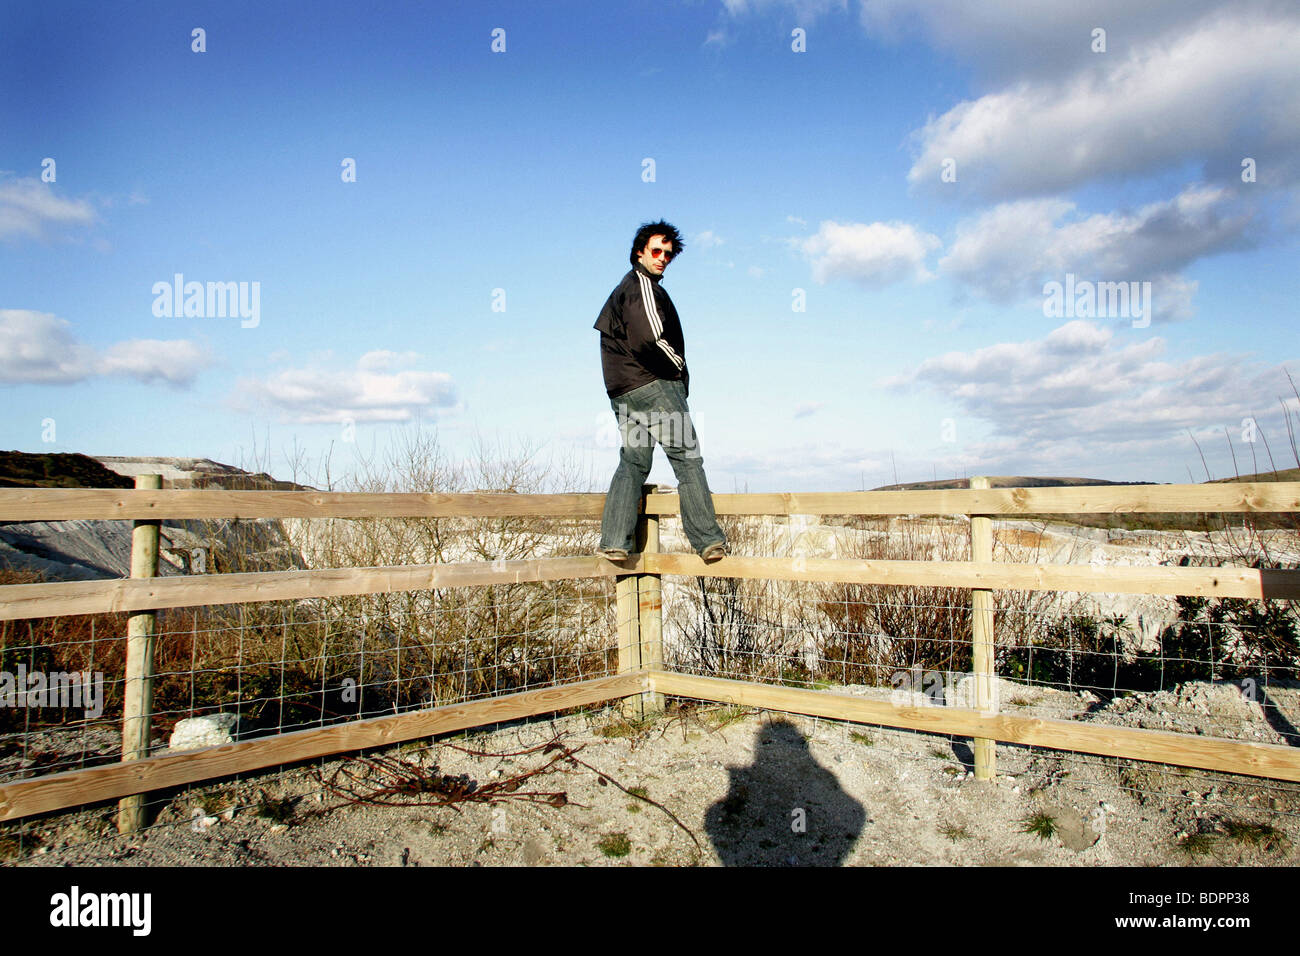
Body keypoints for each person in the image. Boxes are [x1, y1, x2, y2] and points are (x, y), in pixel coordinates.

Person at [594, 220, 728, 562]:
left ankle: (615, 541)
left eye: (668, 254)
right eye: (656, 250)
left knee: (634, 462)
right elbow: (650, 338)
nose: (663, 258)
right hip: (653, 387)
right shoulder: (642, 286)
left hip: (623, 392)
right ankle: (708, 540)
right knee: (687, 458)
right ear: (639, 252)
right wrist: (679, 368)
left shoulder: (622, 290)